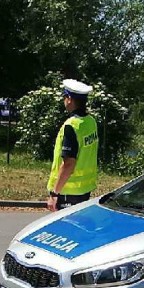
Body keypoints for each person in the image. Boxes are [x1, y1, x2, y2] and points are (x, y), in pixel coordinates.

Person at [46, 79, 99, 211]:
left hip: (67, 192)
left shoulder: (71, 126)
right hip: (84, 190)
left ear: (69, 99)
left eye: (64, 97)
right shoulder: (91, 121)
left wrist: (54, 193)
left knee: (63, 229)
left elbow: (69, 163)